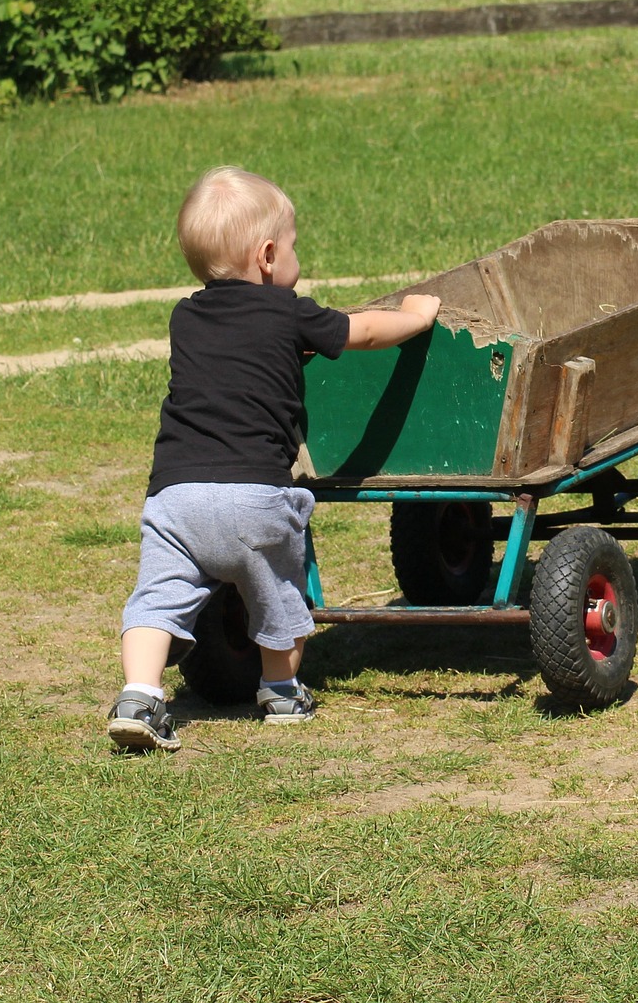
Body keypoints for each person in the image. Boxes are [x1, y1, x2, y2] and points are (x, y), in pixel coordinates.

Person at [107, 166, 440, 751]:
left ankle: (139, 693)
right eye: (293, 246)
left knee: (155, 598)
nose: (297, 258)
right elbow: (360, 332)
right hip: (255, 496)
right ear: (266, 256)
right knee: (279, 591)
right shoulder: (287, 312)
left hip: (174, 496)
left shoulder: (184, 318)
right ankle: (282, 690)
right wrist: (414, 318)